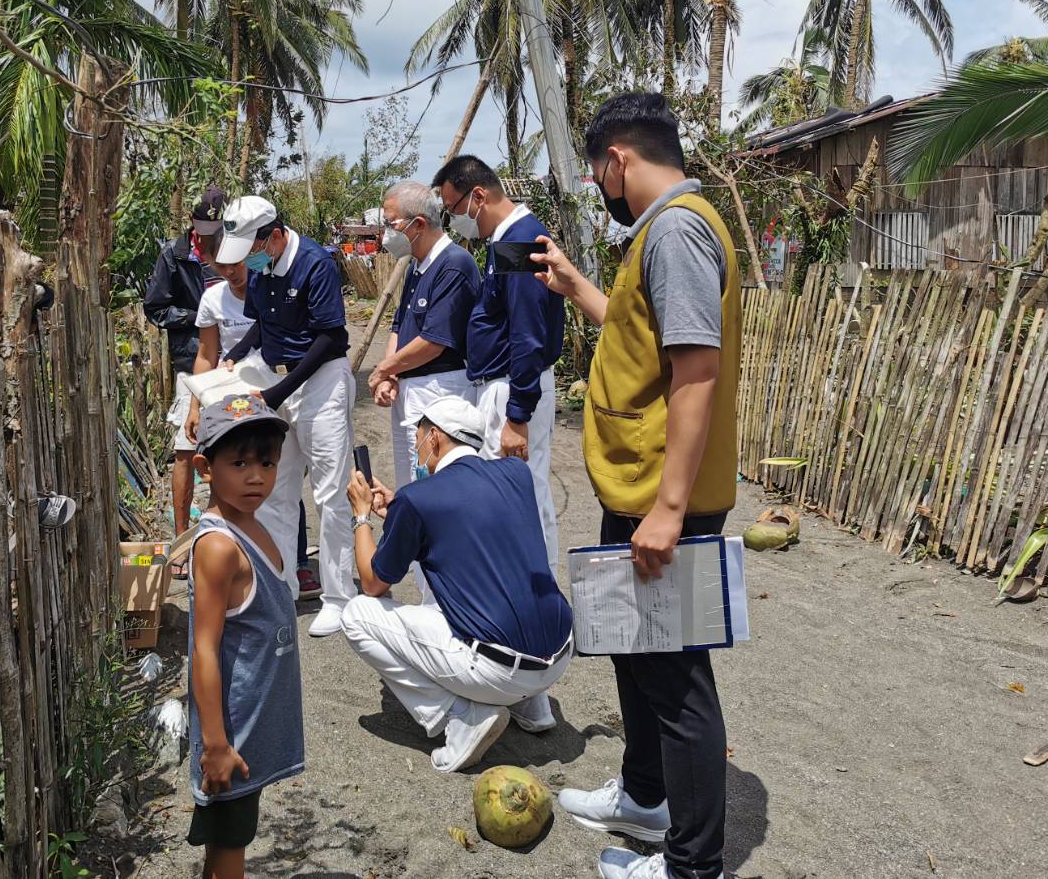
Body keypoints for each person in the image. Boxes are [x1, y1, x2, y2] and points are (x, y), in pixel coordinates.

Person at [534, 92, 741, 879]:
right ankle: (645, 796)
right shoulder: (660, 232)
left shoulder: (678, 230)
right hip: (640, 490)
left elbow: (694, 372)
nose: (598, 188)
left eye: (597, 174)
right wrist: (575, 284)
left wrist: (667, 509)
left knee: (674, 674)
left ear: (616, 159)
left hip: (662, 497)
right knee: (633, 648)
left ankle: (693, 866)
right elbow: (646, 334)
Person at [341, 396, 573, 772]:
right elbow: (467, 516)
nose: (416, 450)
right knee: (489, 579)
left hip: (499, 670)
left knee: (356, 615)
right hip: (559, 651)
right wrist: (400, 509)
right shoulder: (516, 474)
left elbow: (372, 583)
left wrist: (362, 516)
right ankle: (531, 704)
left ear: (434, 438)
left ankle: (461, 718)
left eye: (418, 439)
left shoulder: (419, 499)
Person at [216, 196, 357, 637]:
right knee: (277, 490)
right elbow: (261, 327)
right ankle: (282, 587)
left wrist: (277, 393)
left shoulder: (316, 264)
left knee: (331, 492)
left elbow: (330, 337)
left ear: (274, 236)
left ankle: (339, 597)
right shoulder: (261, 267)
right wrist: (232, 357)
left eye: (252, 250)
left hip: (321, 385)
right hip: (279, 384)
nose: (248, 262)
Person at [186, 394, 303, 879]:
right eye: (239, 463)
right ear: (205, 467)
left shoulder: (253, 525)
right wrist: (214, 743)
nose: (256, 476)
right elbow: (203, 649)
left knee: (229, 840)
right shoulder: (219, 547)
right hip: (230, 733)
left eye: (267, 462)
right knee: (230, 845)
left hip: (249, 727)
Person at [430, 156, 565, 569]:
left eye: (454, 209)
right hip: (503, 384)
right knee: (509, 494)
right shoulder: (506, 241)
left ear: (479, 196)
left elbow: (528, 331)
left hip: (512, 386)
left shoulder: (519, 242)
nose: (454, 220)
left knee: (523, 494)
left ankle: (537, 592)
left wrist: (517, 415)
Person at [187, 235, 323, 600]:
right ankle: (252, 574)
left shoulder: (269, 284)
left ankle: (291, 567)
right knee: (250, 488)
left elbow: (275, 334)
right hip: (238, 405)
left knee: (282, 484)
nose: (231, 271)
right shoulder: (213, 299)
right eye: (221, 265)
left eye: (237, 262)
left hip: (277, 395)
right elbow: (208, 354)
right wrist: (196, 403)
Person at [367, 181, 481, 489]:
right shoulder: (416, 267)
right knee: (411, 480)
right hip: (410, 386)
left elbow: (433, 342)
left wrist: (383, 370)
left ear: (418, 224)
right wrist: (391, 376)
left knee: (437, 480)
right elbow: (399, 326)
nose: (386, 233)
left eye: (390, 224)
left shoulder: (454, 264)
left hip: (440, 390)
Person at [145, 185, 226, 534]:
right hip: (192, 359)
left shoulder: (237, 251)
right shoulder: (174, 255)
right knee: (185, 447)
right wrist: (199, 318)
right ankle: (181, 539)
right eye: (200, 229)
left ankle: (224, 528)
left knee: (231, 446)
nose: (205, 237)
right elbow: (155, 307)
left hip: (234, 362)